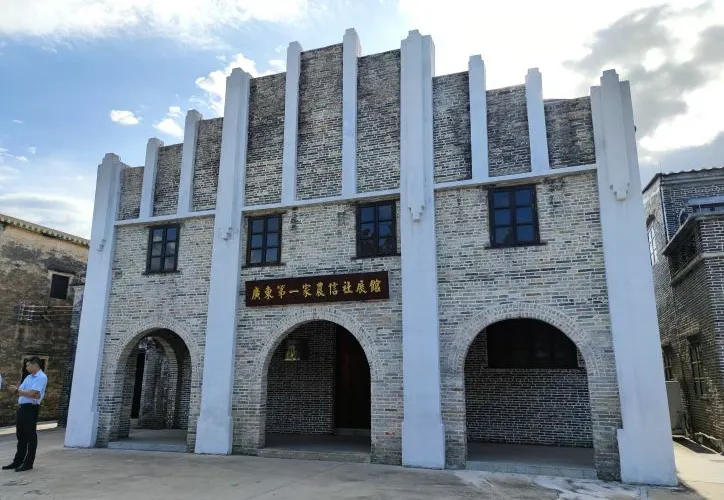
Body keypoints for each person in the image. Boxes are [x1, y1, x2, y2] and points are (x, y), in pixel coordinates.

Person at [2, 357, 48, 472]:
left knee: (30, 435)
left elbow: (33, 394)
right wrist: (19, 391)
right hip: (22, 408)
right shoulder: (29, 377)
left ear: (35, 365)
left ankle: (28, 463)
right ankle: (18, 461)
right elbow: (22, 391)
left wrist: (19, 391)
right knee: (21, 435)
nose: (26, 367)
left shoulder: (41, 377)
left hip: (31, 408)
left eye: (28, 365)